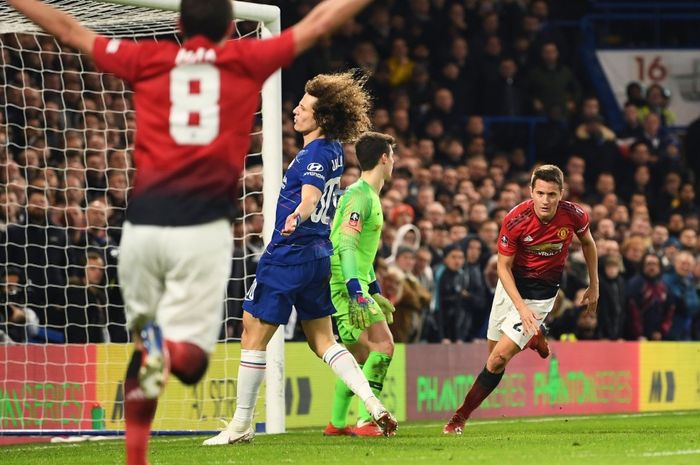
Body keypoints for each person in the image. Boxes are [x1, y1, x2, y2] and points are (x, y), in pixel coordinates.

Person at [8, 1, 376, 464]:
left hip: (141, 226)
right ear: (229, 29)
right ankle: (174, 350)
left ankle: (137, 451)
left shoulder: (149, 59)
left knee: (147, 347)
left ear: (179, 26)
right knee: (190, 362)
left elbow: (68, 29)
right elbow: (321, 21)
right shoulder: (244, 60)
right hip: (201, 231)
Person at [203, 75, 397, 446]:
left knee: (252, 334)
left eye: (304, 108)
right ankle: (371, 402)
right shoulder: (337, 150)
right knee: (322, 340)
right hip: (318, 257)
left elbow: (309, 196)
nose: (295, 110)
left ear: (321, 117)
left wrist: (297, 216)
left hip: (288, 255)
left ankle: (241, 425)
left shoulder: (313, 155)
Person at [443, 164, 599, 434]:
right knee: (492, 356)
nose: (545, 200)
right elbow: (503, 268)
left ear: (561, 193)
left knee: (497, 361)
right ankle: (535, 335)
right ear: (531, 191)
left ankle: (459, 417)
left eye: (552, 194)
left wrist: (594, 283)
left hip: (541, 295)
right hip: (511, 288)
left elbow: (588, 243)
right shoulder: (515, 220)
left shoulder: (574, 215)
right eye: (540, 193)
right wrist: (519, 307)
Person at [323, 132, 398, 437]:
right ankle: (368, 420)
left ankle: (338, 423)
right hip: (343, 283)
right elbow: (347, 246)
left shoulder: (367, 195)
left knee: (360, 357)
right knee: (383, 346)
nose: (393, 161)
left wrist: (375, 290)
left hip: (353, 280)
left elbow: (363, 254)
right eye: (392, 155)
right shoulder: (359, 196)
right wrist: (356, 289)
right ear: (384, 158)